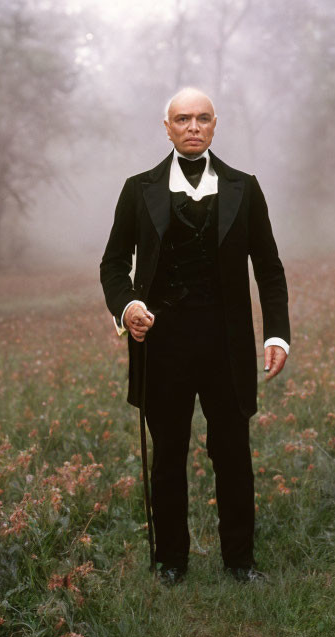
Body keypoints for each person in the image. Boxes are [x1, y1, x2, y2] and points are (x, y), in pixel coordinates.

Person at [99, 87, 290, 584]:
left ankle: (240, 562)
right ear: (166, 127)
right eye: (182, 119)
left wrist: (277, 335)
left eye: (202, 118)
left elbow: (269, 268)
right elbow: (114, 263)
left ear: (215, 124)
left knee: (233, 455)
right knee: (168, 456)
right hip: (162, 345)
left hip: (226, 345)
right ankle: (171, 562)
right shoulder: (137, 188)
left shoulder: (244, 188)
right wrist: (128, 306)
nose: (193, 127)